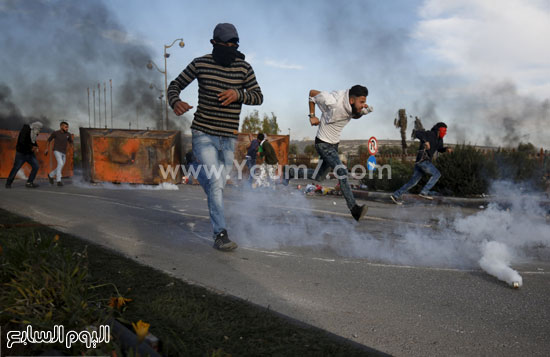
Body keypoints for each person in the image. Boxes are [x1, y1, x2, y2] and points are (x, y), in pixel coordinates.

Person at [168, 23, 263, 251]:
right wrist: (175, 102)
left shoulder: (244, 68)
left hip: (228, 137)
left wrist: (238, 94)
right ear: (214, 44)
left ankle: (192, 165)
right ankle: (220, 234)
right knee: (215, 183)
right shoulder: (201, 64)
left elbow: (258, 96)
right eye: (225, 44)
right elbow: (175, 85)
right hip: (204, 133)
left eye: (234, 44)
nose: (230, 48)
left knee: (219, 182)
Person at [287, 85, 373, 221]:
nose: (363, 105)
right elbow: (312, 93)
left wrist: (363, 110)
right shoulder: (333, 101)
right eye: (361, 102)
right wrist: (312, 116)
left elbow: (354, 115)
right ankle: (354, 209)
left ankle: (291, 172)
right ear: (351, 100)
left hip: (333, 144)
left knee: (319, 177)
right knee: (342, 172)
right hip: (323, 143)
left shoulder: (352, 106)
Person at [390, 122, 453, 204]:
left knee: (412, 182)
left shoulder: (440, 140)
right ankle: (424, 192)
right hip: (423, 160)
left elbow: (439, 149)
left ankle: (395, 195)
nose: (444, 133)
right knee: (437, 174)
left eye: (445, 131)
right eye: (443, 130)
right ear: (438, 130)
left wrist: (446, 149)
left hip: (421, 162)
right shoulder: (430, 134)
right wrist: (425, 141)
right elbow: (417, 133)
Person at [5, 121, 43, 188]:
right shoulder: (25, 130)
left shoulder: (34, 132)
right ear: (36, 127)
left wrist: (36, 146)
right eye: (39, 129)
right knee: (16, 168)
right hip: (21, 153)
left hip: (30, 153)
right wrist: (31, 147)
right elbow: (22, 141)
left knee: (36, 166)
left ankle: (29, 182)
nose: (39, 131)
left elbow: (33, 141)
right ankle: (8, 183)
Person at [45, 121, 73, 186]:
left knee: (60, 166)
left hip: (64, 152)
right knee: (60, 163)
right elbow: (48, 140)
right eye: (66, 127)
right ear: (61, 126)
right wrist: (46, 149)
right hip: (56, 150)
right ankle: (58, 181)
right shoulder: (56, 133)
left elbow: (71, 142)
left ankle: (50, 175)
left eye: (67, 127)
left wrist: (71, 147)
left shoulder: (68, 134)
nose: (67, 128)